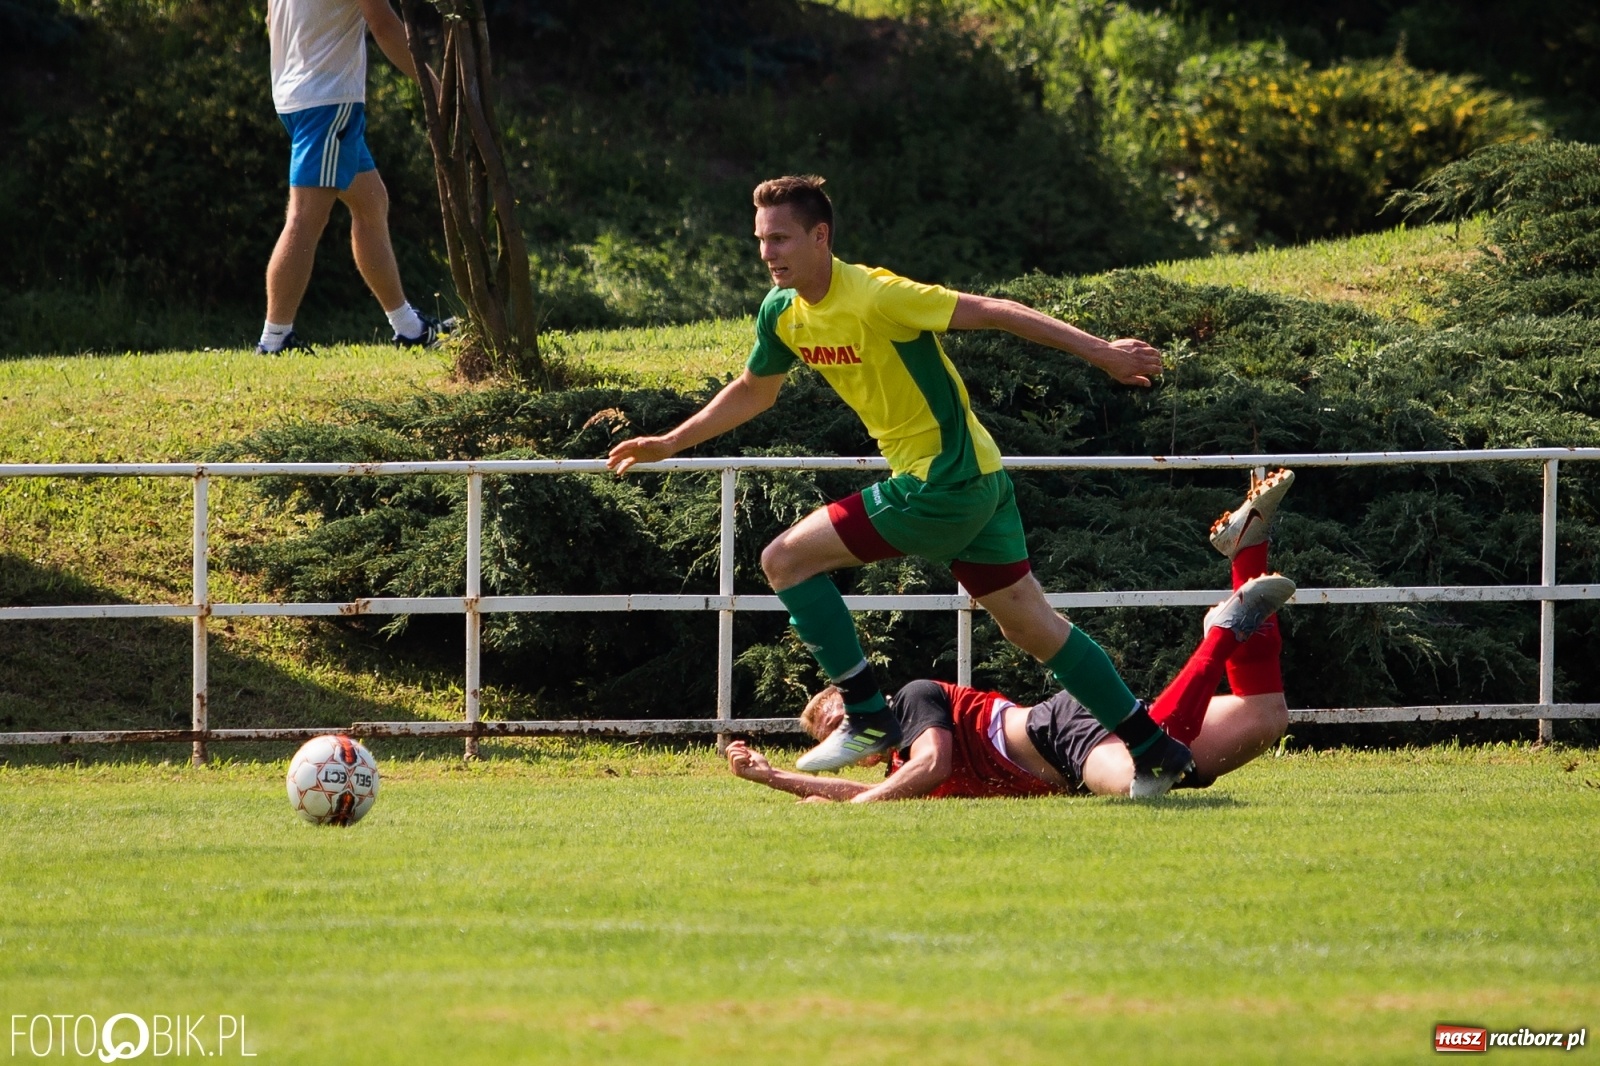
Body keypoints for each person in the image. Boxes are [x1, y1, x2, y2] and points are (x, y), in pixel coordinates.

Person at [606, 174, 1190, 795]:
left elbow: (997, 311)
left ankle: (865, 713)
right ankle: (1155, 747)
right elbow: (756, 389)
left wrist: (1102, 352)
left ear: (820, 236)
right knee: (1034, 629)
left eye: (780, 238)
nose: (767, 253)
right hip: (978, 481)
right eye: (760, 240)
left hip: (943, 481)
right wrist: (670, 442)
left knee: (784, 560)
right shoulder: (781, 314)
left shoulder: (878, 295)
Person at [726, 470, 1297, 802]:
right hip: (1078, 725)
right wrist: (774, 777)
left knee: (1151, 779)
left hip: (1062, 737)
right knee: (1266, 715)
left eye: (839, 722)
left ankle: (1218, 636)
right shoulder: (898, 765)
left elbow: (933, 770)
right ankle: (1249, 547)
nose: (846, 741)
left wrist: (857, 813)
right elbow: (884, 793)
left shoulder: (914, 702)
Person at [259, 0, 447, 354]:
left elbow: (272, 19)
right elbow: (383, 24)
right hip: (328, 101)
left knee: (371, 202)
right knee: (304, 219)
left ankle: (408, 327)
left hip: (295, 97)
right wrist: (435, 88)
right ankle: (274, 339)